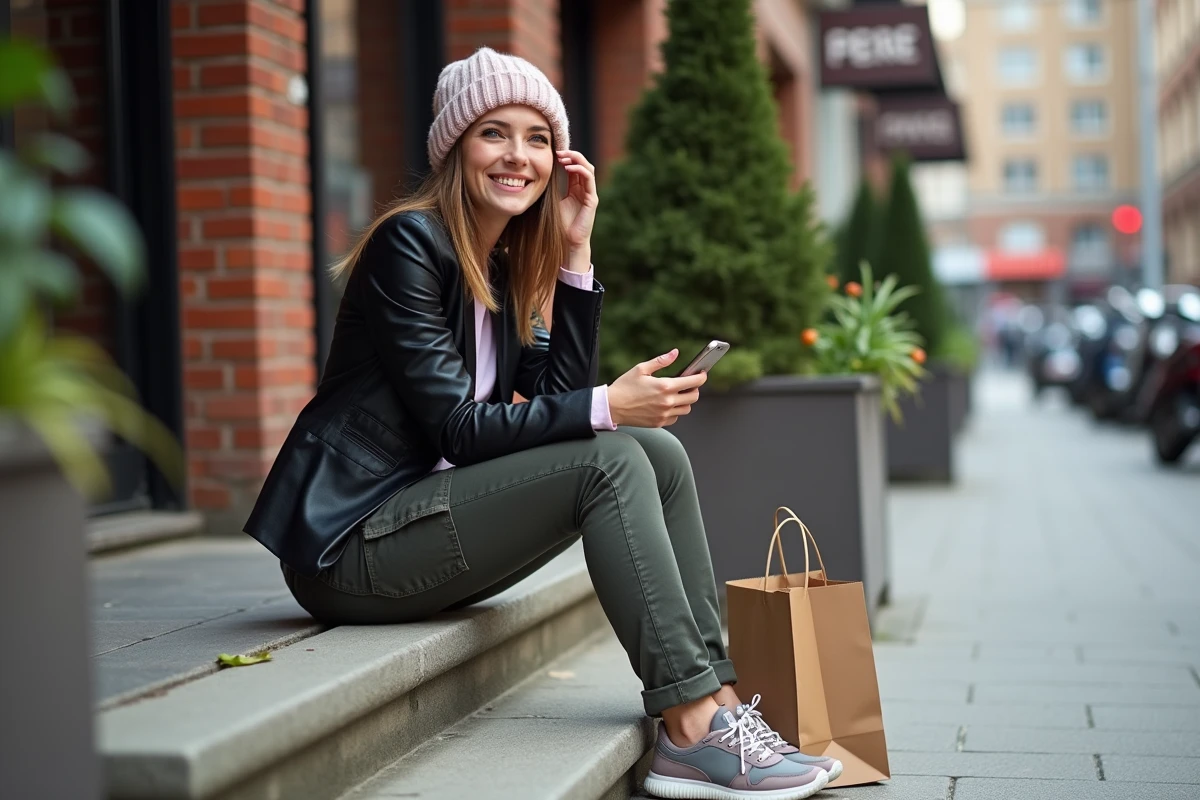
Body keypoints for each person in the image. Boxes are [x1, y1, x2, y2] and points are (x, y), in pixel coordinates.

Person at [244, 48, 839, 800]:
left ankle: (718, 702)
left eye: (534, 138)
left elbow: (559, 402)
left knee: (652, 450)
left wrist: (576, 254)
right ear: (455, 149)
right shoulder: (411, 245)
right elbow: (460, 428)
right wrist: (606, 405)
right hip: (351, 548)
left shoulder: (499, 265)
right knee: (613, 458)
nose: (517, 156)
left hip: (426, 523)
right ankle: (688, 726)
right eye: (494, 133)